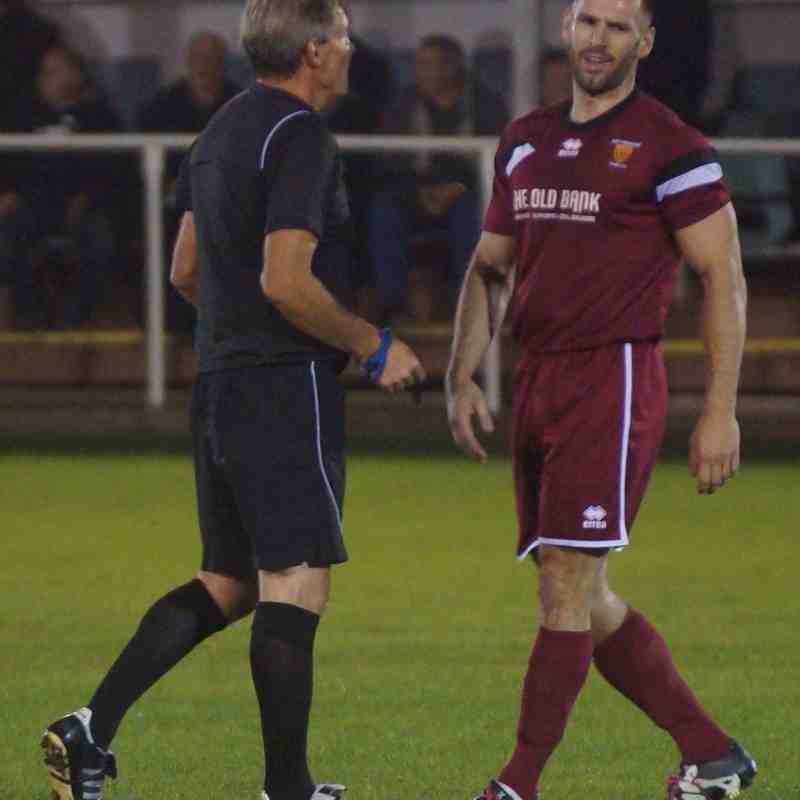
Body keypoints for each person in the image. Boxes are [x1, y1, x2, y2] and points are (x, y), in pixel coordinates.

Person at [40, 3, 424, 800]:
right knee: (295, 585)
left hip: (219, 385)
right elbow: (285, 281)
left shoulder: (216, 131)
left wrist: (236, 341)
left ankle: (90, 728)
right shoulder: (303, 137)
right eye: (344, 38)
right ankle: (287, 790)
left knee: (230, 581)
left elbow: (187, 270)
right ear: (314, 51)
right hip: (282, 387)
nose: (352, 51)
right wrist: (371, 344)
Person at [445, 2, 756, 799]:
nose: (598, 38)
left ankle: (517, 783)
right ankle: (710, 751)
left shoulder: (674, 147)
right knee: (588, 591)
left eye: (619, 27)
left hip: (612, 379)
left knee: (564, 581)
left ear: (644, 43)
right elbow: (489, 265)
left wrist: (721, 410)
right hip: (538, 379)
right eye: (588, 20)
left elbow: (723, 277)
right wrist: (461, 374)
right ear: (567, 29)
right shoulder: (524, 140)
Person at [368, 34, 509, 322]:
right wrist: (419, 193)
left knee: (473, 213)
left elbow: (500, 161)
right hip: (414, 195)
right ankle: (392, 307)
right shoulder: (402, 105)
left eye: (433, 63)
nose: (424, 71)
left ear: (454, 66)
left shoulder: (486, 104)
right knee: (383, 209)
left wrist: (456, 188)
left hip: (468, 194)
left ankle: (469, 305)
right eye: (420, 63)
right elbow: (387, 163)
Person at [0, 43, 121, 328]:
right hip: (28, 205)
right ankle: (28, 318)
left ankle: (75, 320)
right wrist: (5, 193)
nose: (55, 79)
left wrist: (88, 197)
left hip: (82, 207)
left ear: (77, 75)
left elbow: (115, 169)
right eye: (48, 73)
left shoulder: (98, 116)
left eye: (62, 71)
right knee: (7, 236)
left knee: (100, 239)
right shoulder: (19, 115)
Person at [138, 30, 242, 332]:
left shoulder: (242, 104)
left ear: (223, 63)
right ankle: (169, 326)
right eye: (198, 59)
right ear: (187, 62)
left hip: (229, 203)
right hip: (175, 201)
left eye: (212, 60)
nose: (204, 66)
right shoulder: (162, 106)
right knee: (159, 230)